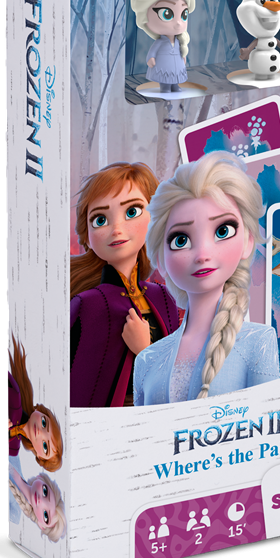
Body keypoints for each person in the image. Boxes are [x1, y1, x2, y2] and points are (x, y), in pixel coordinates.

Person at [133, 151, 280, 404]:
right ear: (161, 260)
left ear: (248, 241)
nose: (202, 254)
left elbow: (268, 423)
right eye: (181, 240)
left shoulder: (259, 342)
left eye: (222, 231)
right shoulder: (147, 360)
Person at [70, 162, 180, 407]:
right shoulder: (87, 304)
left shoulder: (164, 297)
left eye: (132, 211)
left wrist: (144, 349)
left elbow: (176, 374)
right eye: (100, 219)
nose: (116, 229)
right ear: (86, 235)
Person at [131, 0, 196, 92]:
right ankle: (165, 87)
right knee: (165, 78)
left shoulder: (178, 41)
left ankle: (175, 86)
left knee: (175, 77)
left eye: (184, 14)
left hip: (176, 66)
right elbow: (152, 52)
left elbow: (181, 50)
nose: (178, 22)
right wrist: (151, 58)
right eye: (167, 14)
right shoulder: (160, 42)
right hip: (163, 67)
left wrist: (183, 56)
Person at [8, 334, 63, 471]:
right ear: (40, 411)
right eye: (44, 423)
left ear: (39, 457)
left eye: (45, 446)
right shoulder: (14, 394)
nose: (40, 432)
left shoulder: (13, 450)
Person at [8, 464, 67, 543]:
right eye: (45, 492)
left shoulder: (14, 513)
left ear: (41, 525)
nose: (40, 500)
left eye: (45, 515)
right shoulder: (17, 462)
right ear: (40, 478)